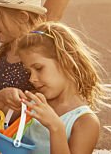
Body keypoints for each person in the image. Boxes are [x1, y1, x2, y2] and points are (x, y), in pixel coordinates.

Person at [17, 22, 103, 154]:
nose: (31, 79)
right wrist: (1, 98)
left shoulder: (85, 122)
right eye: (29, 72)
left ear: (66, 61)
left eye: (39, 68)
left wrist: (56, 127)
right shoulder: (34, 102)